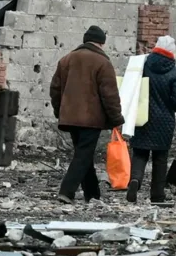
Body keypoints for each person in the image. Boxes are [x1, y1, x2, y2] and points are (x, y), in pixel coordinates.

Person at [49, 25, 124, 203]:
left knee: (84, 155)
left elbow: (55, 90)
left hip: (70, 117)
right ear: (101, 43)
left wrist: (60, 111)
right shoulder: (102, 63)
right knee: (83, 155)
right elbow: (110, 95)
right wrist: (116, 119)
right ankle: (66, 191)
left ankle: (92, 194)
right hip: (91, 119)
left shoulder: (66, 60)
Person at [127, 35, 176, 203]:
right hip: (164, 122)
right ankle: (157, 195)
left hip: (142, 117)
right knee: (160, 159)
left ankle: (135, 180)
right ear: (172, 51)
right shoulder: (174, 72)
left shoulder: (143, 65)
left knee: (139, 153)